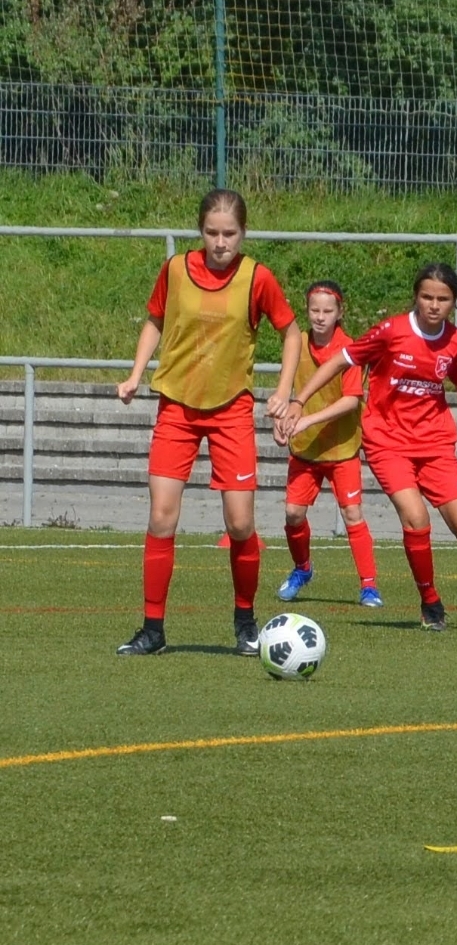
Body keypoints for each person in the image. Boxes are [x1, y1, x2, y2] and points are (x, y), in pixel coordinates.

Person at [277, 264, 457, 631]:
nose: (434, 304)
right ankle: (430, 603)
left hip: (435, 443)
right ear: (416, 297)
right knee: (416, 518)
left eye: (442, 299)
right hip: (387, 442)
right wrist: (298, 401)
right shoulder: (391, 331)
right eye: (427, 296)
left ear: (454, 302)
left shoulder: (456, 342)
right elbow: (341, 359)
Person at [114, 190, 300, 658]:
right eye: (212, 233)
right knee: (161, 517)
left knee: (240, 523)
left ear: (244, 233)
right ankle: (152, 630)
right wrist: (136, 374)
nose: (220, 242)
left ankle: (246, 623)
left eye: (229, 233)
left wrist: (283, 391)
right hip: (176, 408)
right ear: (200, 231)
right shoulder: (176, 269)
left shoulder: (257, 277)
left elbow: (292, 333)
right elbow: (155, 320)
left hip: (231, 410)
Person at [275, 281, 384, 608]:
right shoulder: (297, 343)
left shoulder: (349, 349)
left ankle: (369, 586)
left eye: (327, 311)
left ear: (339, 313)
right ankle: (302, 569)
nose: (320, 317)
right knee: (293, 513)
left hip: (341, 449)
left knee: (352, 513)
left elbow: (351, 401)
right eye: (314, 310)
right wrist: (281, 421)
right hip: (305, 448)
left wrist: (308, 419)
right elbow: (286, 389)